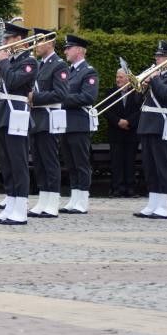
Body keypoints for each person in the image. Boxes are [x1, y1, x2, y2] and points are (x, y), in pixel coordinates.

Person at [0, 23, 38, 226]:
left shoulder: (30, 62)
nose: (4, 43)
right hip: (2, 113)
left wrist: (3, 63)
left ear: (19, 40)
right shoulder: (10, 61)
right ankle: (10, 204)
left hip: (17, 113)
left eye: (8, 39)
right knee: (6, 164)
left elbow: (14, 81)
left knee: (18, 163)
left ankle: (20, 208)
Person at [133, 40, 167, 220]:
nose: (157, 58)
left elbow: (166, 94)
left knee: (163, 166)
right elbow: (138, 101)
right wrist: (144, 86)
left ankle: (164, 205)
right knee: (150, 166)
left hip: (163, 125)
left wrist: (153, 79)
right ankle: (153, 203)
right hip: (147, 124)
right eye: (157, 55)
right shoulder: (158, 76)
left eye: (161, 56)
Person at [27, 29, 69, 219]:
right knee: (39, 162)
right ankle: (43, 198)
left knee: (50, 161)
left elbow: (61, 94)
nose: (36, 46)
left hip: (49, 118)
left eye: (40, 42)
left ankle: (53, 201)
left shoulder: (58, 65)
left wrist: (34, 96)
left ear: (50, 44)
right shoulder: (38, 65)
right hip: (36, 118)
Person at [59, 34, 99, 215]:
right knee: (70, 162)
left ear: (80, 50)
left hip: (79, 122)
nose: (65, 51)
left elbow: (88, 97)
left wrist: (61, 99)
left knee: (81, 162)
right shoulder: (69, 71)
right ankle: (74, 197)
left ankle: (82, 199)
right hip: (65, 122)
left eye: (69, 48)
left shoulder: (88, 71)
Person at [104, 68, 142, 197]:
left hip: (131, 132)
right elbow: (106, 111)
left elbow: (140, 111)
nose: (117, 79)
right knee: (116, 162)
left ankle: (130, 188)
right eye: (117, 77)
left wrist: (128, 122)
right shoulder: (111, 93)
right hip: (116, 132)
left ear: (128, 79)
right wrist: (118, 121)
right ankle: (117, 188)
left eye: (120, 77)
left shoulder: (137, 92)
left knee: (130, 161)